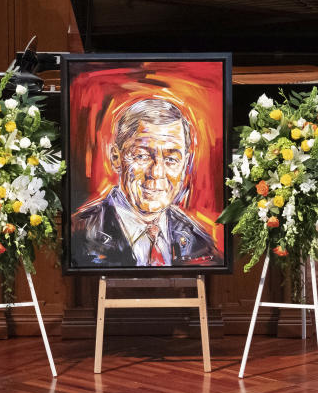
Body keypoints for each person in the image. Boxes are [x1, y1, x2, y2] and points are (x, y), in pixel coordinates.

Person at [72, 98, 222, 268]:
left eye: (171, 159)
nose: (157, 173)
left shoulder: (199, 242)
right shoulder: (79, 233)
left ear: (185, 164)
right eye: (141, 156)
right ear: (116, 158)